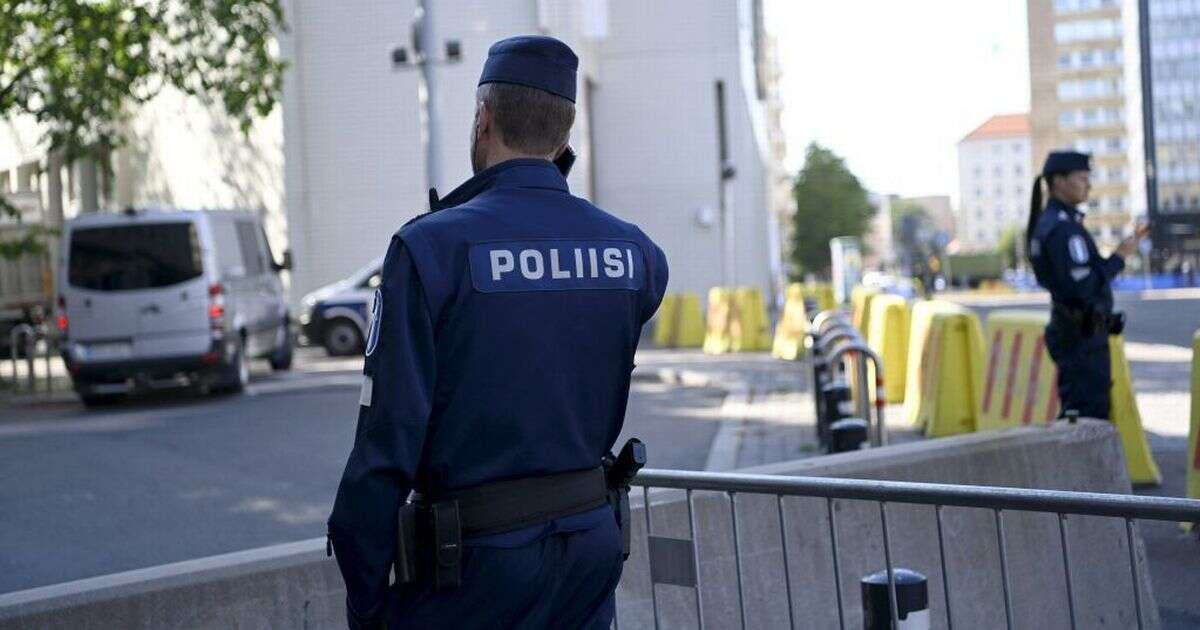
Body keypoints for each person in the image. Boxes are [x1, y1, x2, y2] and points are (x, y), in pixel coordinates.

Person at [326, 35, 669, 630]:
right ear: (565, 140)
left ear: (483, 121)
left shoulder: (430, 249)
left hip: (472, 566)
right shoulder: (635, 252)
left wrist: (365, 593)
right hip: (590, 548)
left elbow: (386, 445)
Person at [1026, 150, 1148, 419]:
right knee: (1086, 419)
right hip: (1082, 340)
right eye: (1082, 178)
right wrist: (1119, 257)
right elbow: (1083, 287)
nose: (1088, 185)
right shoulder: (1064, 229)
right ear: (1058, 181)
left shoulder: (1053, 223)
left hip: (1075, 333)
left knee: (1080, 413)